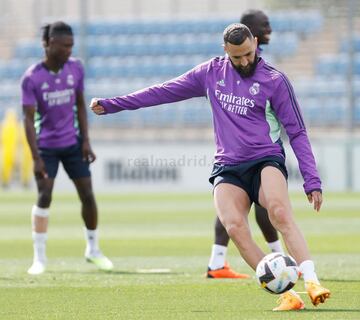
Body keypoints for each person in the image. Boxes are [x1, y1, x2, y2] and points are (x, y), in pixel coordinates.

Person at [90, 23, 331, 311]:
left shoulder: (275, 81)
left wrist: (311, 180)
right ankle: (284, 294)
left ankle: (313, 280)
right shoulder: (210, 73)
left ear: (256, 43)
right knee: (234, 227)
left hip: (266, 159)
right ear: (225, 51)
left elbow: (298, 132)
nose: (244, 62)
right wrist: (113, 104)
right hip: (228, 167)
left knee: (279, 212)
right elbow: (162, 92)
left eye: (248, 54)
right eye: (237, 57)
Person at [21, 21, 113, 275]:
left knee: (87, 194)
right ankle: (39, 258)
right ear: (49, 45)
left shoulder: (76, 68)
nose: (69, 51)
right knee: (45, 195)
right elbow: (28, 119)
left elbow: (81, 106)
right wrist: (35, 157)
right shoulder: (32, 77)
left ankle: (93, 250)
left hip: (72, 143)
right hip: (46, 147)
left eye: (72, 46)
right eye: (64, 46)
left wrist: (85, 141)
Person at [207, 9, 284, 280]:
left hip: (257, 145)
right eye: (265, 25)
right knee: (253, 206)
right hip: (248, 149)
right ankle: (280, 259)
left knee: (233, 209)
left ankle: (217, 262)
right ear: (250, 30)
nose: (270, 29)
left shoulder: (259, 61)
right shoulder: (240, 61)